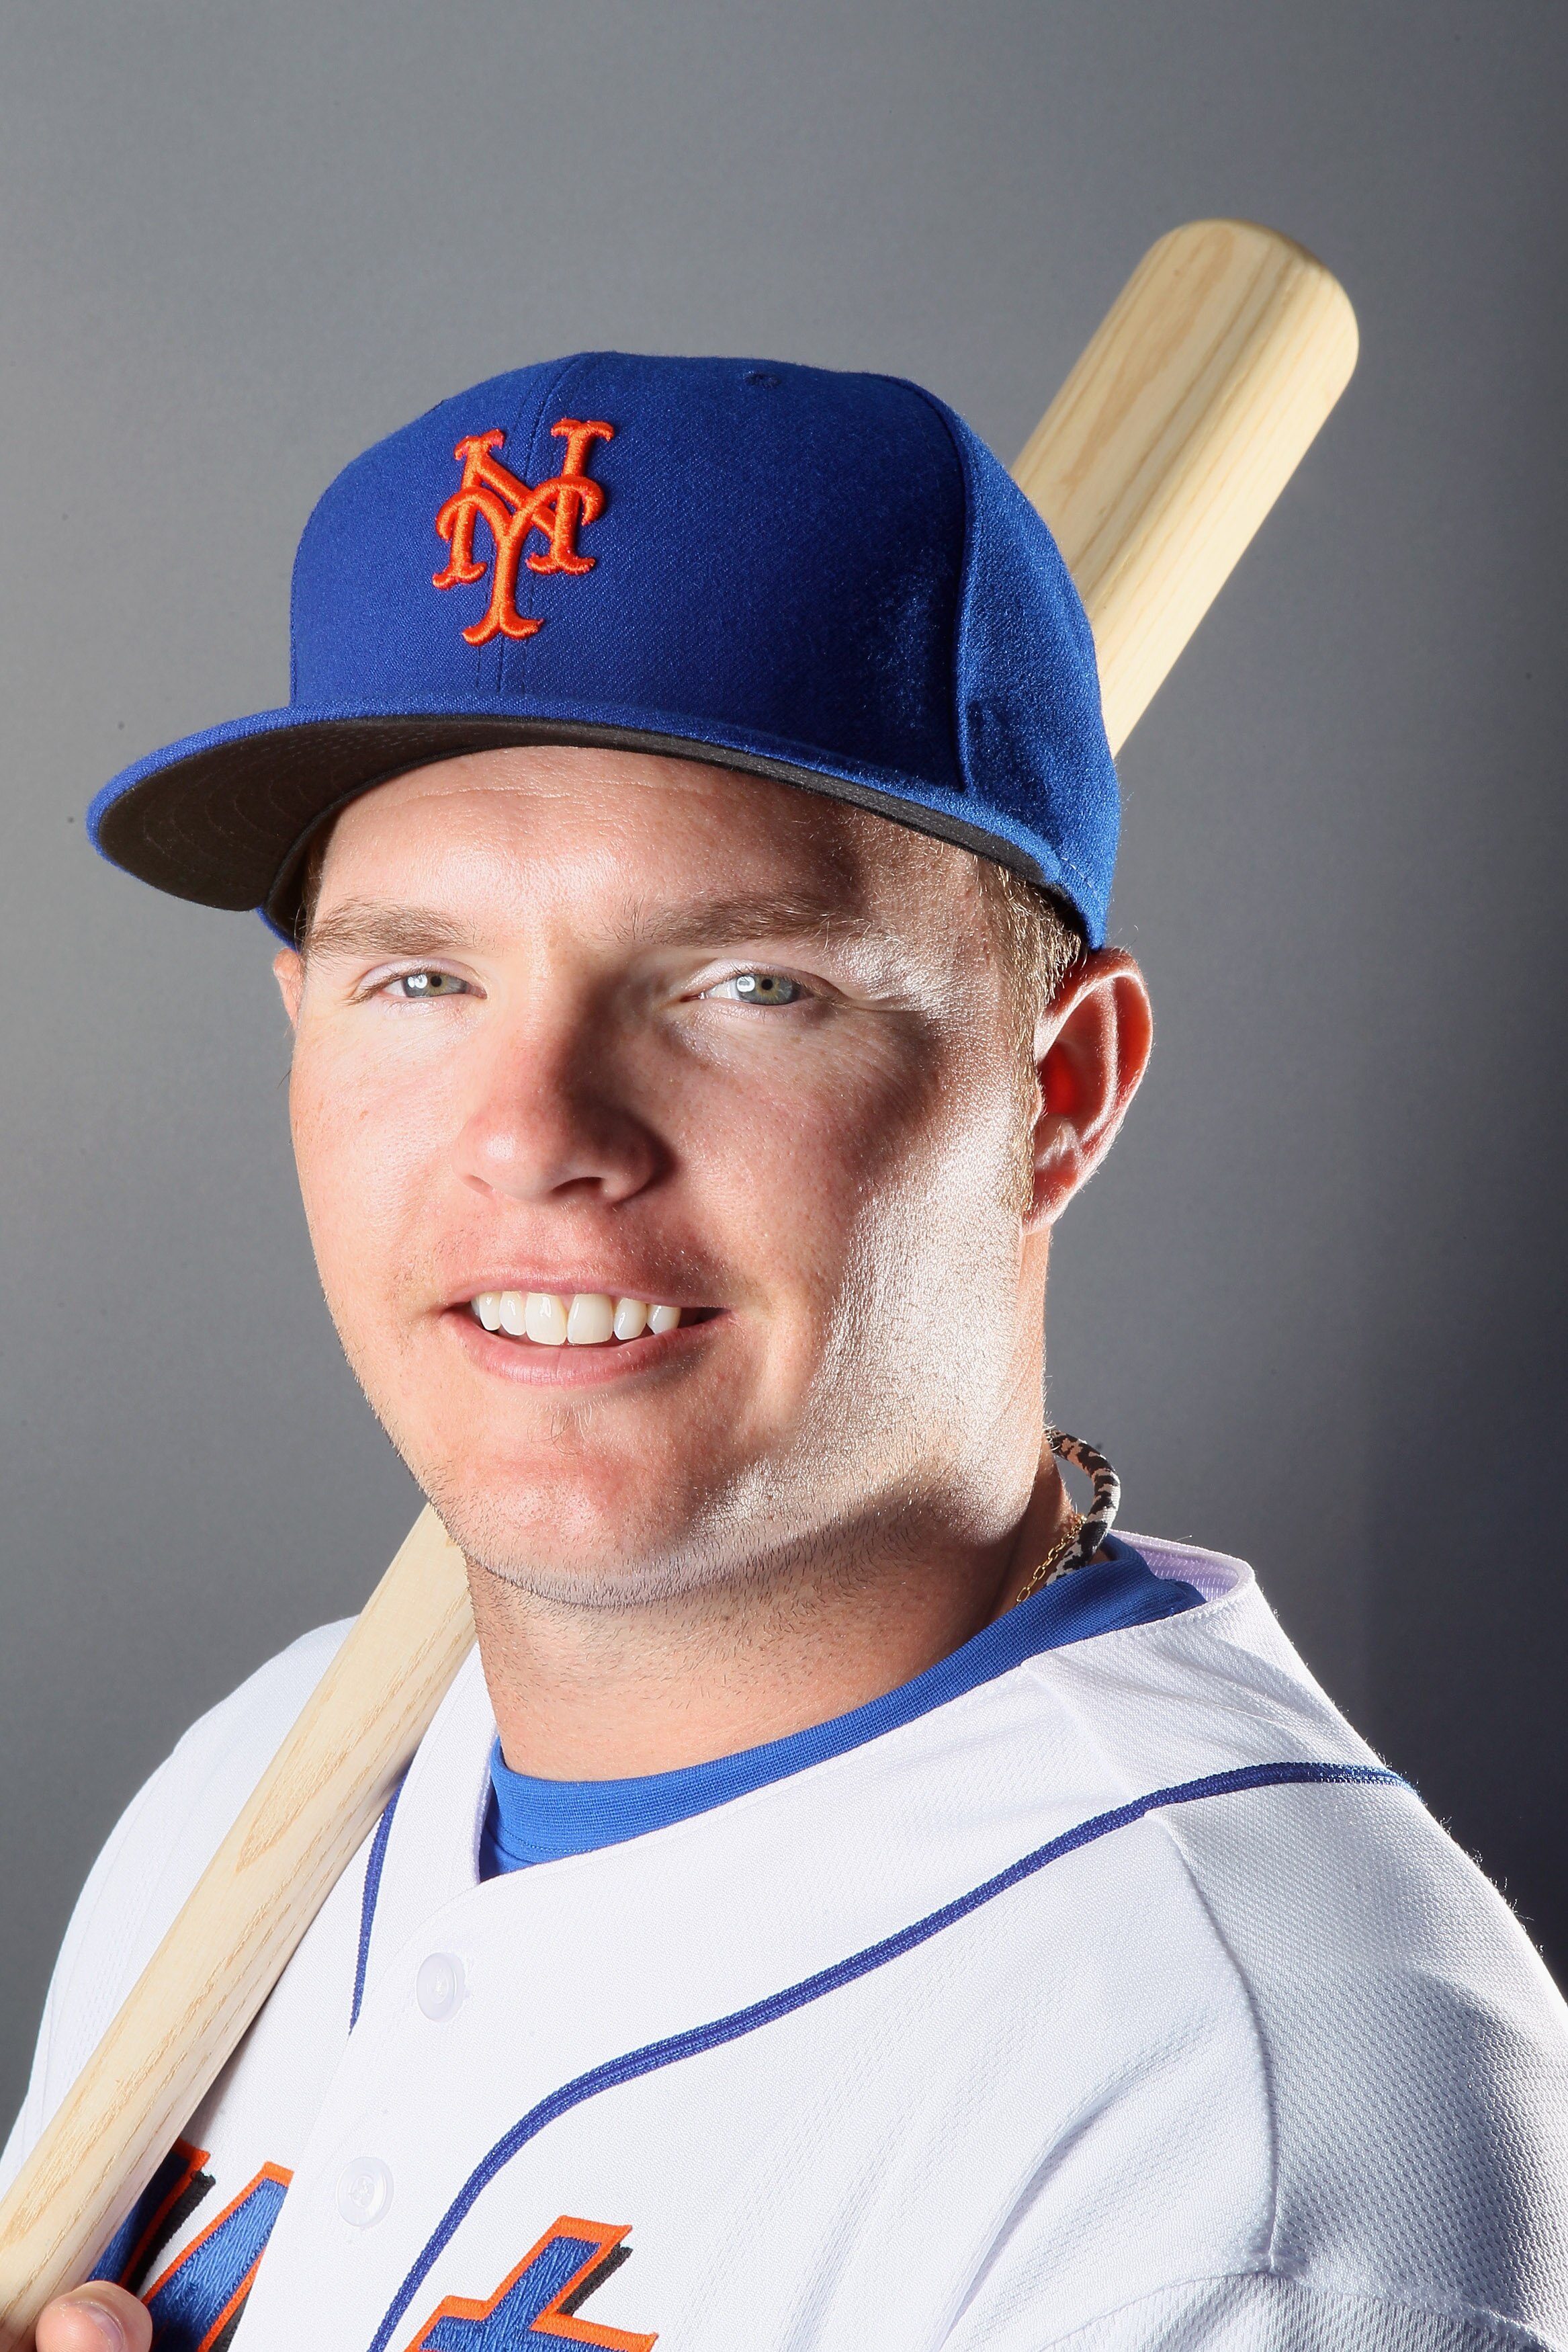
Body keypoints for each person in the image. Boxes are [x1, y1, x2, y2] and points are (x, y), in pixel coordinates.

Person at [7, 354, 1566, 2352]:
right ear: (300, 1022)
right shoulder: (247, 1802)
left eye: (747, 980)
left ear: (1059, 1091)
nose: (538, 1129)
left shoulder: (1240, 2128)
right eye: (425, 975)